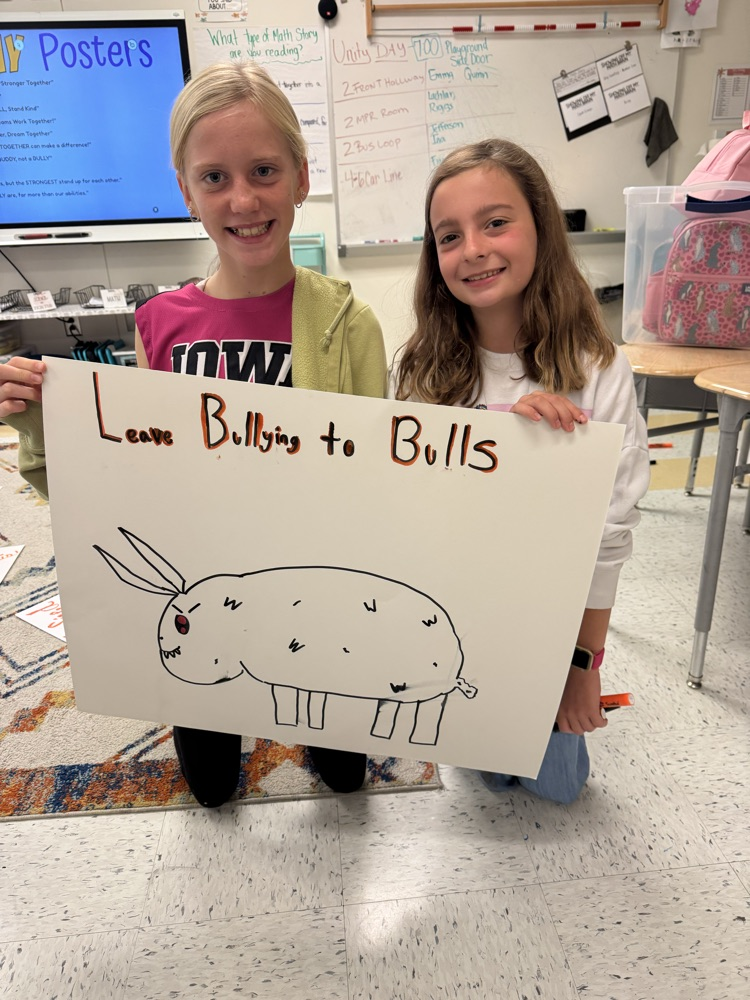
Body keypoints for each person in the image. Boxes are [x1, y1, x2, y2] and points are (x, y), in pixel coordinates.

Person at [0, 61, 387, 807]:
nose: (242, 199)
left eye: (264, 171)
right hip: (203, 586)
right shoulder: (160, 324)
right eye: (214, 178)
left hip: (315, 587)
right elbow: (127, 473)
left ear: (302, 178)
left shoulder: (350, 325)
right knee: (211, 790)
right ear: (185, 190)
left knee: (345, 777)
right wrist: (40, 417)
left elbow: (378, 475)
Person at [393, 138, 650, 805]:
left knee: (560, 787)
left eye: (496, 222)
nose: (473, 248)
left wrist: (581, 667)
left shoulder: (597, 369)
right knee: (484, 774)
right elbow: (408, 510)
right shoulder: (420, 372)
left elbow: (611, 535)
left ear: (539, 224)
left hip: (553, 623)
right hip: (457, 617)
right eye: (450, 236)